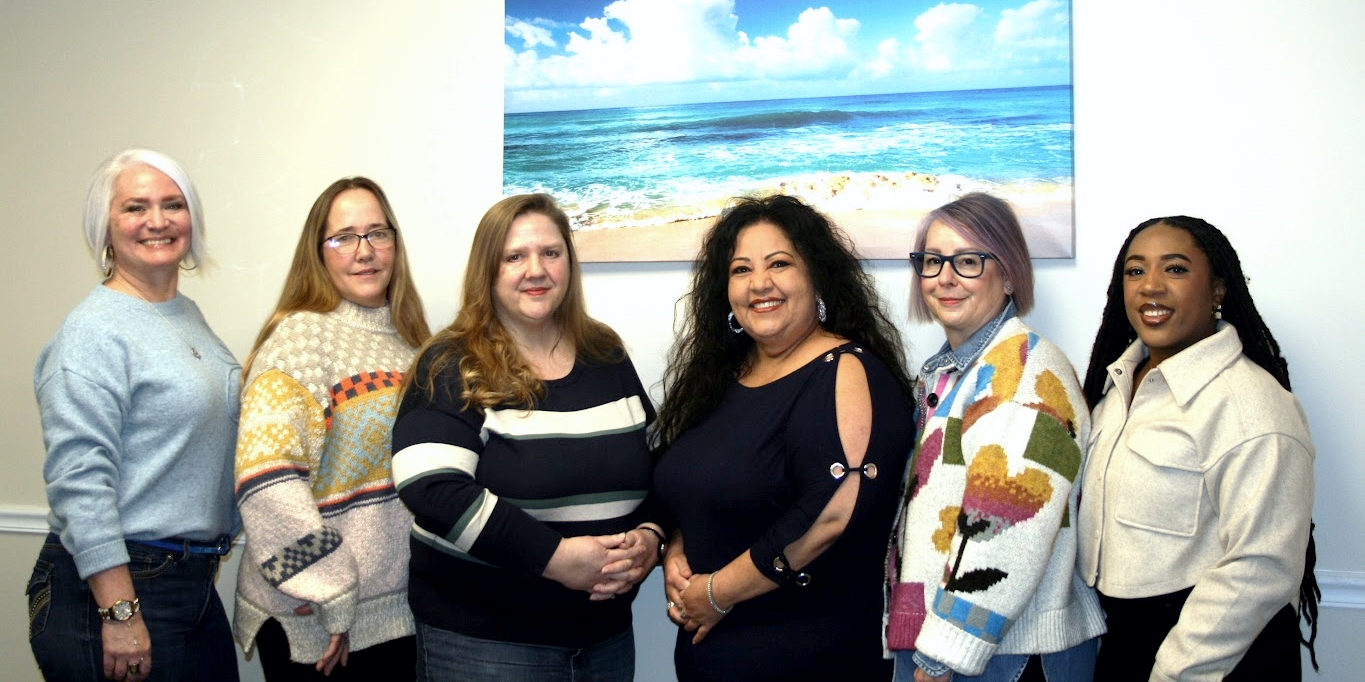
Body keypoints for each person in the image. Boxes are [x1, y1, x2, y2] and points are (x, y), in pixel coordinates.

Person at [390, 193, 661, 681]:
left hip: (605, 639)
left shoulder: (605, 353)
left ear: (568, 264)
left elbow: (653, 464)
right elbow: (430, 486)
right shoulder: (452, 363)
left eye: (550, 253)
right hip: (486, 644)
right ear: (487, 271)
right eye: (514, 256)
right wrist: (554, 559)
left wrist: (650, 538)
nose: (535, 269)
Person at [652, 194, 915, 681]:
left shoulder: (846, 370)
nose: (760, 284)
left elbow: (833, 512)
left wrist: (715, 593)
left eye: (779, 263)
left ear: (815, 275)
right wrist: (676, 550)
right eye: (740, 269)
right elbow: (696, 485)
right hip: (709, 657)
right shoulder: (721, 378)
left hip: (809, 656)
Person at [27, 149, 241, 681]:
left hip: (188, 580)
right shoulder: (94, 331)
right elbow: (80, 479)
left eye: (174, 205)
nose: (158, 221)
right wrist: (120, 612)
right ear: (105, 227)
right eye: (135, 208)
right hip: (115, 587)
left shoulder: (184, 314)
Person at [1077, 216, 1320, 681]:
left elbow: (1261, 566)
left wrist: (1174, 672)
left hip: (1212, 655)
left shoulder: (1253, 406)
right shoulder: (1114, 391)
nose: (1151, 286)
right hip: (1122, 642)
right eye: (1135, 271)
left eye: (1175, 269)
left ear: (1218, 292)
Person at [887, 192, 1105, 682]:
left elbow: (1004, 525)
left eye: (967, 261)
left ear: (1008, 274)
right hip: (960, 646)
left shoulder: (1026, 368)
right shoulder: (950, 374)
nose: (945, 277)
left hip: (1003, 654)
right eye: (932, 260)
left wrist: (942, 654)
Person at [232, 177, 431, 679]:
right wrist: (328, 591)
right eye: (343, 237)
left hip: (390, 614)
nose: (364, 252)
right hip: (319, 619)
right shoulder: (300, 338)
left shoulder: (413, 342)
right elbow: (267, 485)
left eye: (377, 233)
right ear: (317, 254)